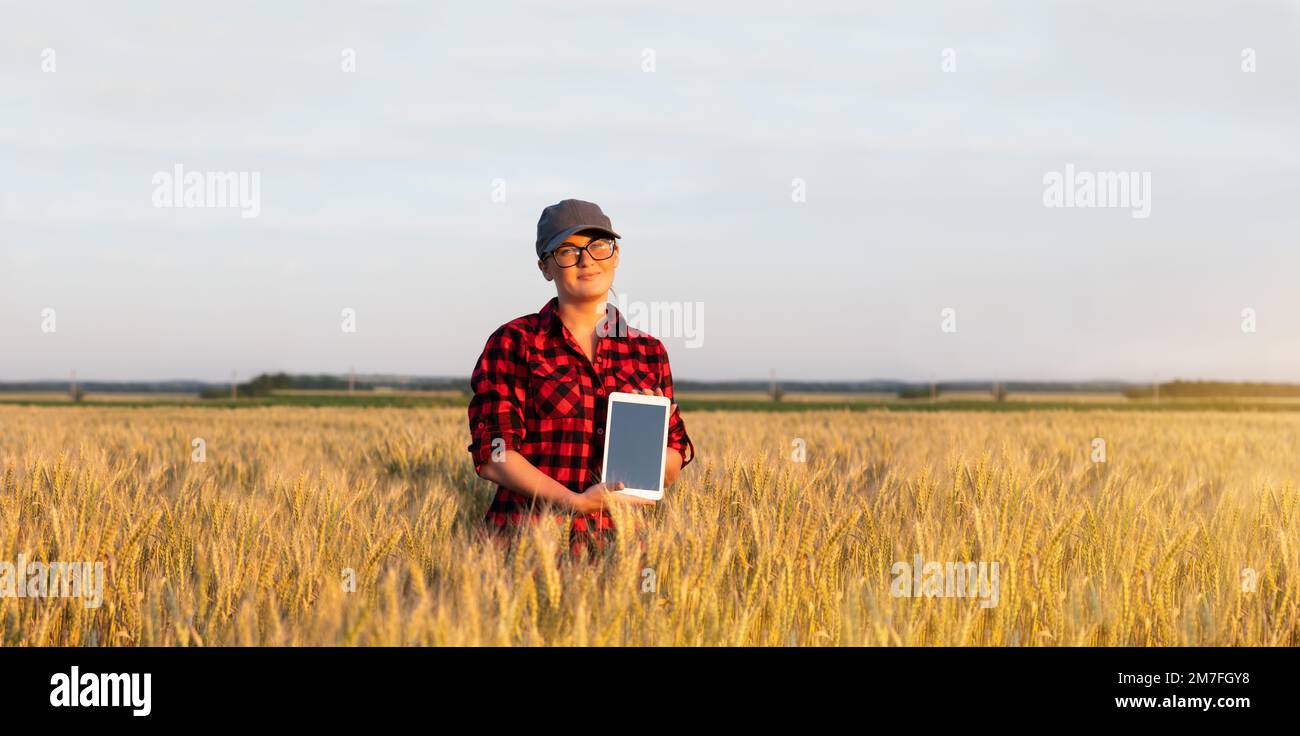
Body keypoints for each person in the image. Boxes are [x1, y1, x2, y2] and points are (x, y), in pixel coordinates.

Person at [466, 199, 695, 557]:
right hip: (524, 552)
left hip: (619, 554)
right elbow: (495, 455)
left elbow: (673, 459)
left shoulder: (648, 352)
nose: (586, 260)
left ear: (615, 255)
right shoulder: (514, 342)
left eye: (598, 246)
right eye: (568, 251)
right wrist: (573, 502)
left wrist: (650, 445)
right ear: (545, 267)